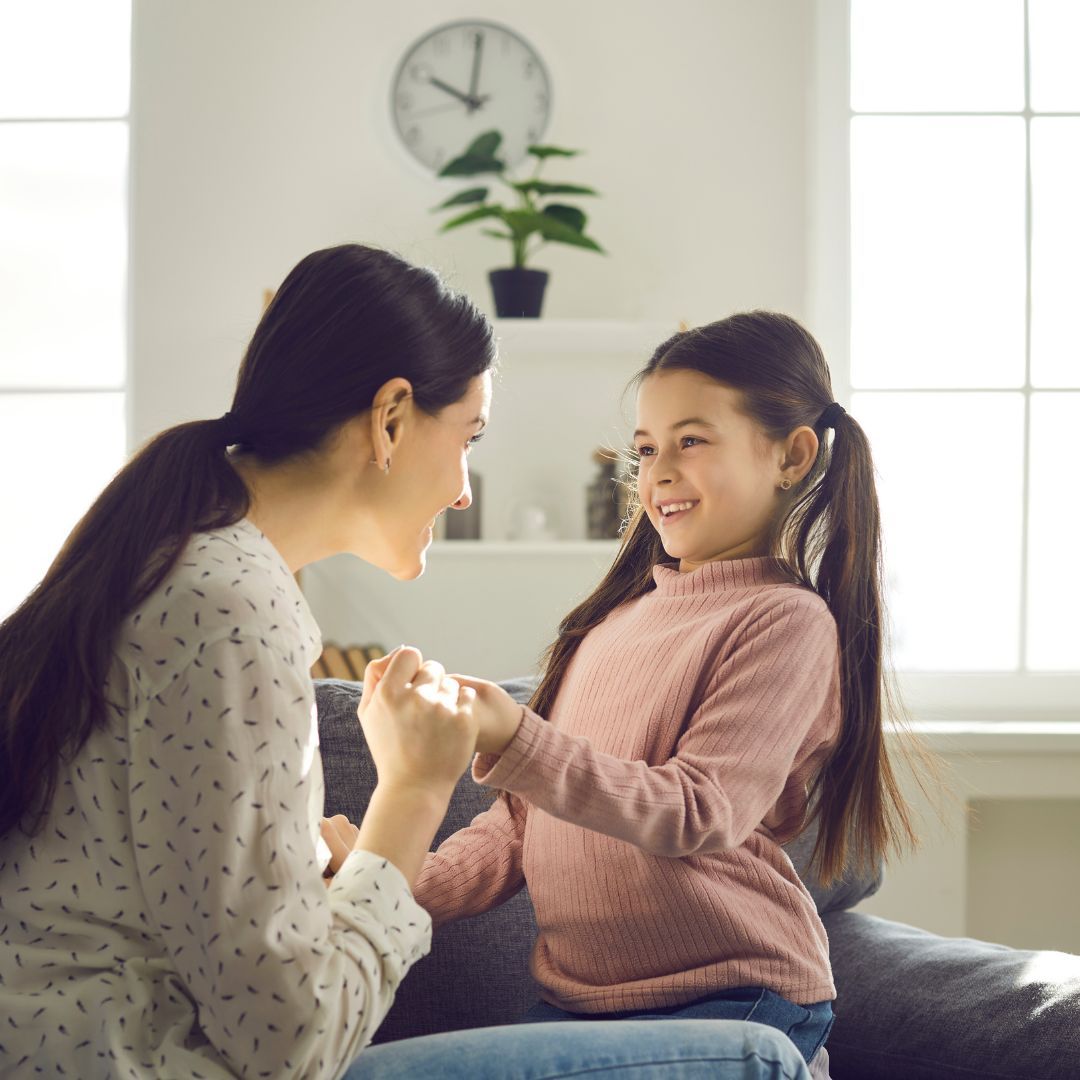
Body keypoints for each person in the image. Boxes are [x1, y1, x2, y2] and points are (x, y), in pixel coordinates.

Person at [0, 246, 812, 1080]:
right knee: (766, 1065)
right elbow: (290, 1043)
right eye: (469, 437)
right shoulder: (232, 609)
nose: (464, 490)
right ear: (390, 420)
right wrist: (414, 789)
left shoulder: (197, 570)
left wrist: (378, 852)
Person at [406, 312, 923, 1079]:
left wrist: (516, 738)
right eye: (645, 449)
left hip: (732, 995)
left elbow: (697, 810)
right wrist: (399, 880)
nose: (659, 472)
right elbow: (522, 821)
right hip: (580, 1005)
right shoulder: (612, 623)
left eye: (691, 441)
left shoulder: (784, 620)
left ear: (792, 455)